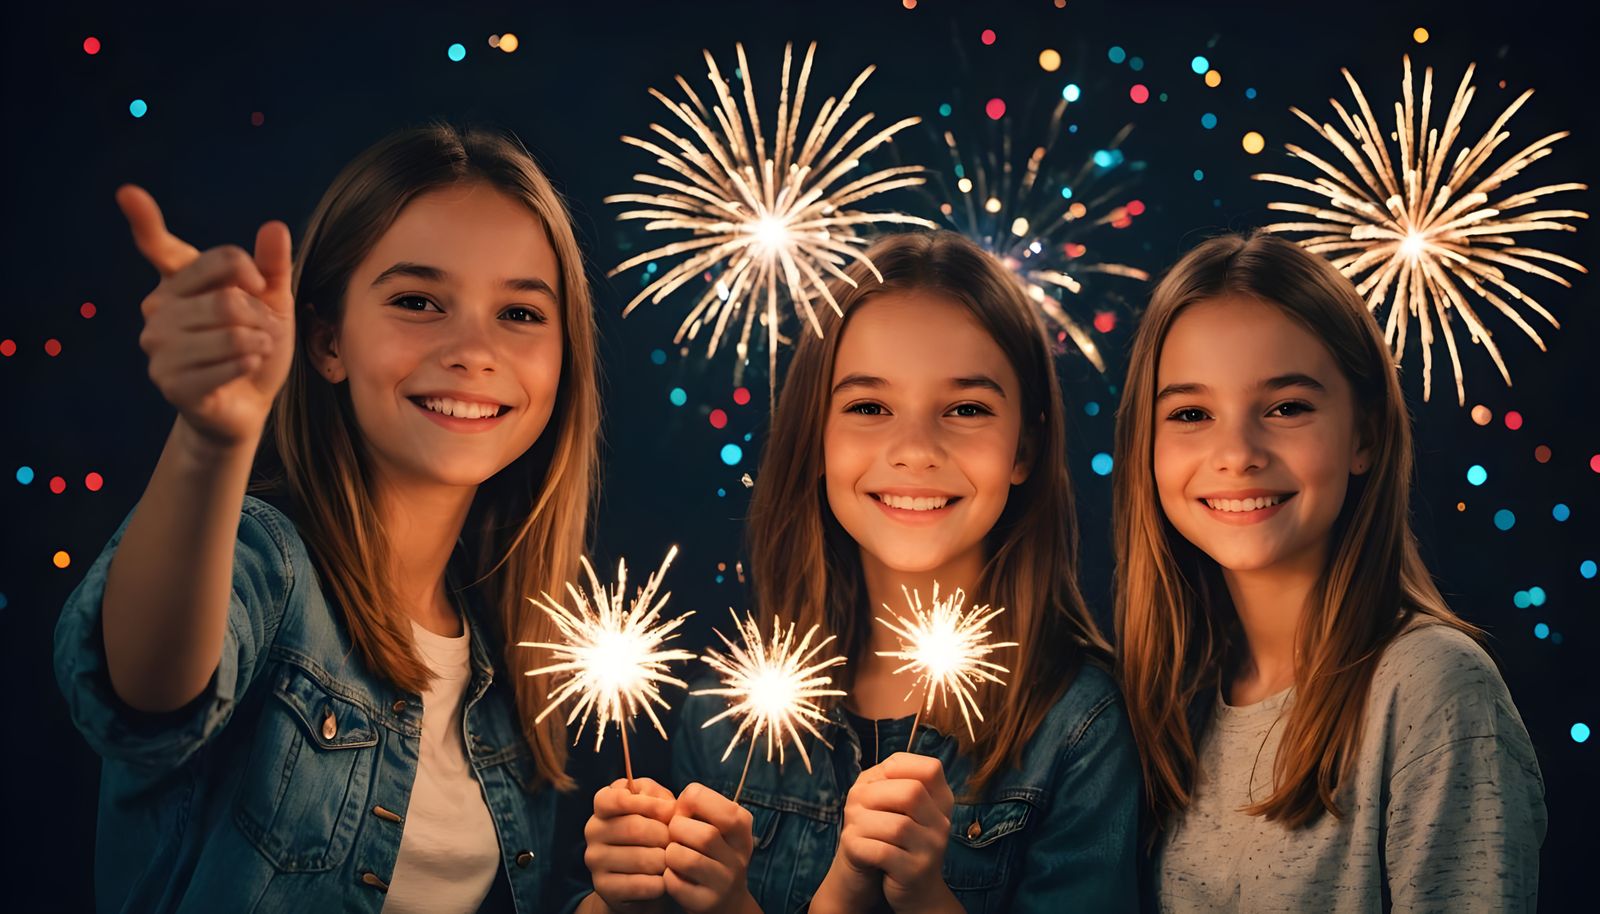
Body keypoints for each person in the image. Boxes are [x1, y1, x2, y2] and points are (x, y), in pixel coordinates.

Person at [55, 123, 601, 913]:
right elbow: (146, 694)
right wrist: (210, 437)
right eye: (418, 302)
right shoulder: (265, 559)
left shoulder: (509, 661)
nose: (474, 350)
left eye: (519, 313)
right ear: (326, 342)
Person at [581, 231, 1140, 914]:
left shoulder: (1080, 730)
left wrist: (924, 896)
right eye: (869, 407)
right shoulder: (721, 718)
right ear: (816, 436)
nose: (914, 450)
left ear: (1024, 447)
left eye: (966, 409)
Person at [1112, 231, 1546, 911]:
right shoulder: (1162, 700)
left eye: (1287, 407)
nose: (1237, 453)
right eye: (1191, 414)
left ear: (1364, 436)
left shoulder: (1431, 689)